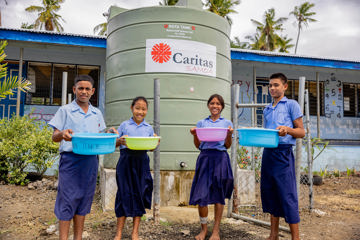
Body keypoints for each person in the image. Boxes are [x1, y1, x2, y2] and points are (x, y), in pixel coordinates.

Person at [48, 75, 106, 240]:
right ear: (74, 89)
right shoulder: (65, 110)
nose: (84, 92)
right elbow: (54, 136)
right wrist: (62, 133)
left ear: (92, 91)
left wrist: (112, 134)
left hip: (90, 162)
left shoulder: (96, 113)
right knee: (67, 199)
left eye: (87, 89)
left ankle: (78, 238)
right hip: (70, 161)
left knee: (84, 199)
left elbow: (101, 137)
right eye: (80, 88)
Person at [261, 73, 305, 240]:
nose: (272, 88)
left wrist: (288, 130)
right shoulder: (267, 109)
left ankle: (296, 237)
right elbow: (268, 134)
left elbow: (301, 131)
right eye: (270, 85)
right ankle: (273, 235)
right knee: (270, 192)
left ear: (285, 87)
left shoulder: (291, 105)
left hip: (283, 153)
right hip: (268, 154)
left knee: (287, 195)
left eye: (276, 85)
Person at [189, 94, 234, 240]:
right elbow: (198, 145)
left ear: (222, 107)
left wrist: (229, 134)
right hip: (205, 158)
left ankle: (216, 231)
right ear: (208, 105)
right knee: (201, 195)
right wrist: (195, 134)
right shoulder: (202, 123)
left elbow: (227, 145)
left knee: (218, 194)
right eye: (212, 103)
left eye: (218, 104)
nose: (215, 106)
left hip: (220, 158)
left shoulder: (227, 123)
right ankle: (203, 229)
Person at [114, 96, 158, 240]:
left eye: (143, 109)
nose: (140, 111)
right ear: (132, 108)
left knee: (140, 193)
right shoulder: (124, 125)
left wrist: (155, 142)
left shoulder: (149, 128)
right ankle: (119, 232)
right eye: (137, 108)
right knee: (123, 194)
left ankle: (135, 232)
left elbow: (151, 149)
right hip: (126, 162)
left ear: (147, 111)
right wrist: (118, 140)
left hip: (142, 163)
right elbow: (114, 143)